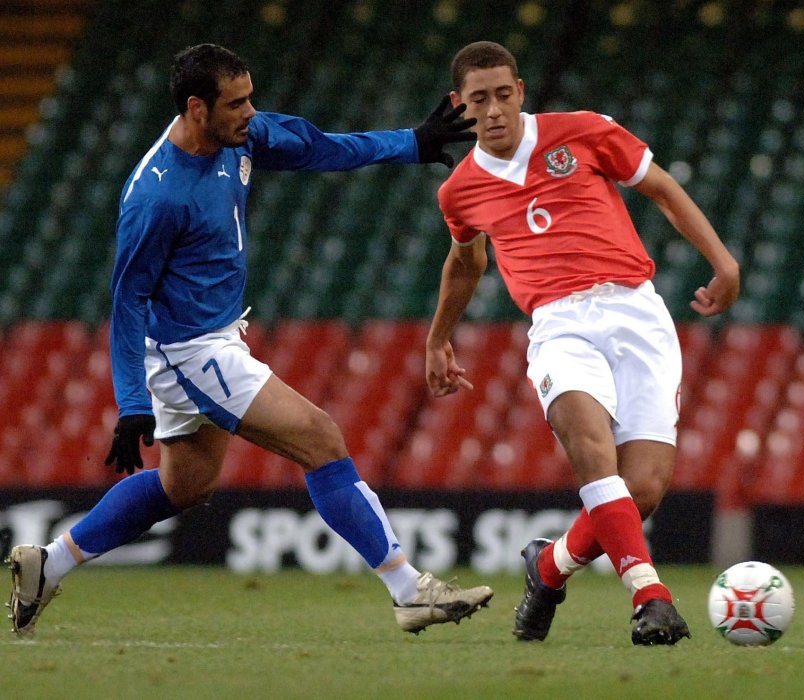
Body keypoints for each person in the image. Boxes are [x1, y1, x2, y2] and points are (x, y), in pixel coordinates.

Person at [6, 43, 493, 638]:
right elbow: (128, 300)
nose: (250, 111)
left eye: (249, 98)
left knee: (186, 485)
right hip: (191, 350)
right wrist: (132, 401)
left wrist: (411, 143)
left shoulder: (239, 137)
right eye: (236, 103)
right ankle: (408, 588)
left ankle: (47, 564)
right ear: (196, 108)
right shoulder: (157, 197)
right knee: (321, 437)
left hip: (212, 336)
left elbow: (316, 146)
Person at [424, 41, 739, 646]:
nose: (492, 110)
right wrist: (438, 338)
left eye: (502, 95)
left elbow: (664, 191)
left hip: (637, 311)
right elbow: (466, 263)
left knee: (642, 487)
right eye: (478, 100)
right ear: (459, 105)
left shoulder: (585, 132)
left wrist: (723, 262)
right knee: (590, 445)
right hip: (558, 324)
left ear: (520, 91)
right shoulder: (459, 191)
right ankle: (651, 596)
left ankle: (548, 568)